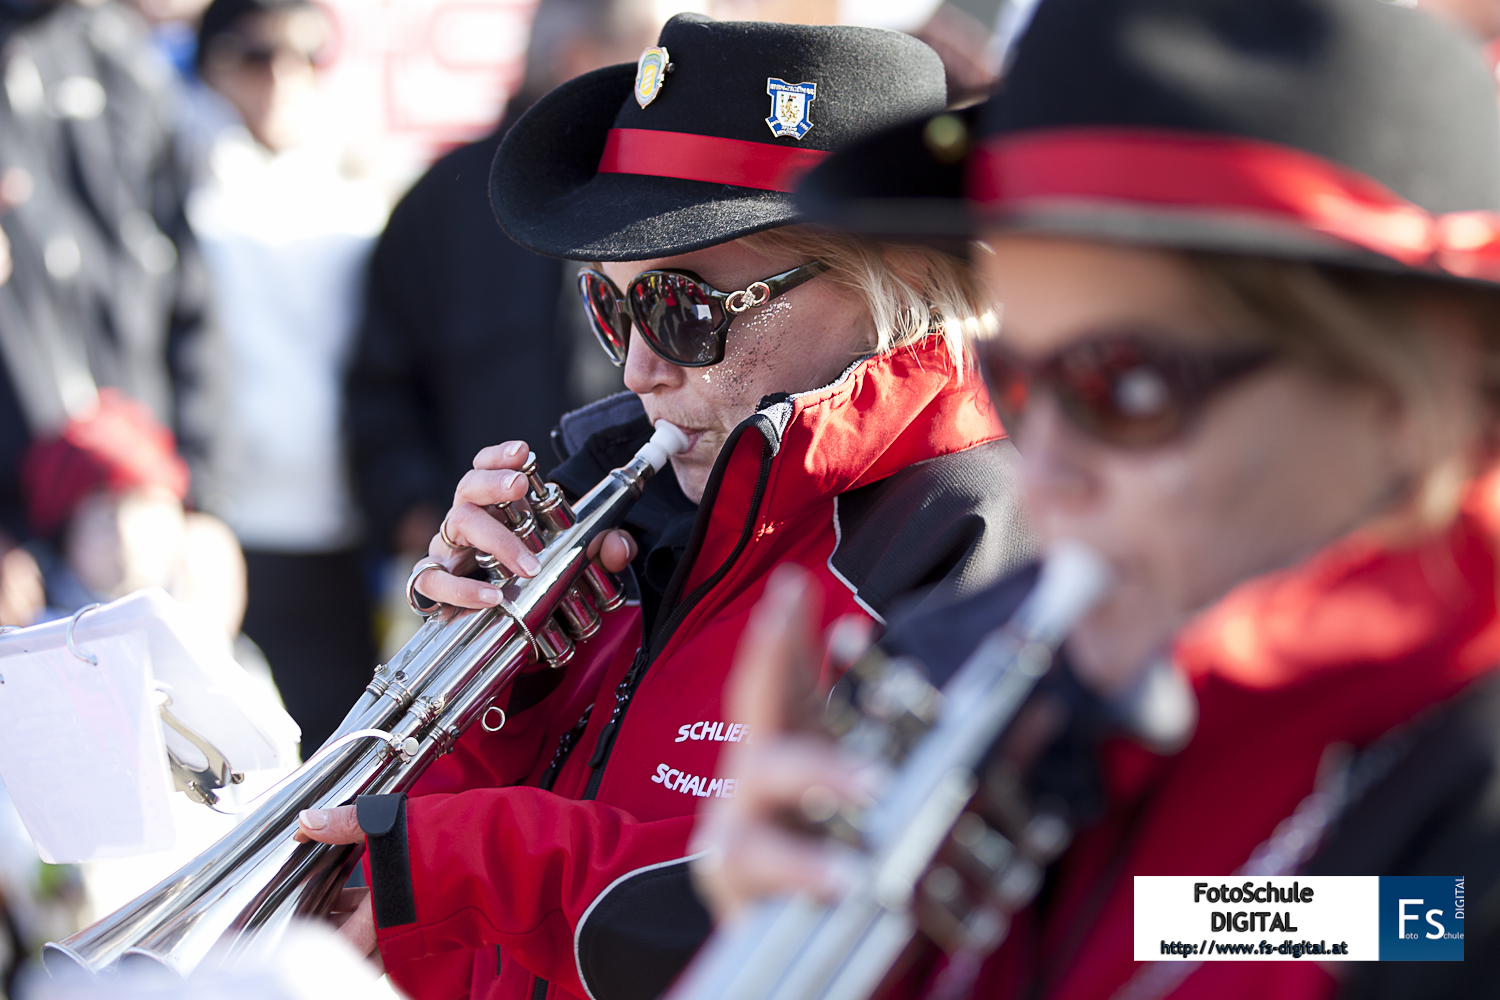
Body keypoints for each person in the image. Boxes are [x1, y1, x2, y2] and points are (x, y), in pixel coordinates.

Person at [695, 0, 1500, 998]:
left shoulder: (1459, 814)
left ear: (1408, 400)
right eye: (1015, 380)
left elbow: (1382, 926)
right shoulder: (982, 666)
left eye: (1126, 385)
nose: (1043, 473)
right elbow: (1196, 919)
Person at [295, 14, 1036, 1000]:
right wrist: (489, 690)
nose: (640, 368)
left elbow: (855, 929)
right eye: (612, 309)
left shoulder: (966, 534)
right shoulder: (619, 500)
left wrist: (475, 855)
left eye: (681, 311)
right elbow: (450, 904)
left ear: (887, 282)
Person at [344, 0, 656, 659]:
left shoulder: (658, 195)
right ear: (578, 60)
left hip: (644, 570)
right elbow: (379, 394)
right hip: (481, 598)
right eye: (650, 60)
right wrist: (440, 537)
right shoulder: (442, 202)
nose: (664, 86)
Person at [187, 0, 385, 755]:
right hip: (216, 530)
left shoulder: (357, 193)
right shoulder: (169, 180)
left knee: (335, 765)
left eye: (307, 54)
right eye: (254, 54)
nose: (281, 76)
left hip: (342, 531)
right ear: (208, 64)